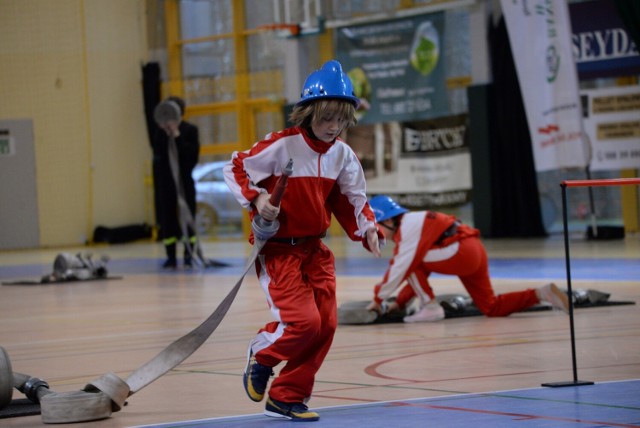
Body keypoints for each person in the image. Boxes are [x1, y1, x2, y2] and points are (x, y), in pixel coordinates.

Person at [223, 60, 383, 422]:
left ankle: (286, 397)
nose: (334, 126)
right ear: (309, 111)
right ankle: (263, 354)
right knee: (304, 324)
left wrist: (368, 229)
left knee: (325, 326)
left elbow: (355, 199)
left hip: (316, 252)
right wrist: (257, 199)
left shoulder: (343, 154)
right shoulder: (282, 146)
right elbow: (235, 167)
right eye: (327, 117)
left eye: (341, 119)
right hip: (279, 252)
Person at [366, 195, 570, 323]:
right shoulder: (413, 223)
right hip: (473, 250)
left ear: (390, 219)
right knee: (491, 307)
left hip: (461, 251)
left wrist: (378, 299)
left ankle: (431, 307)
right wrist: (400, 302)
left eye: (377, 226)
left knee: (409, 262)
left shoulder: (409, 226)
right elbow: (418, 271)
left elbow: (401, 268)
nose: (376, 232)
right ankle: (541, 293)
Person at [151, 96, 200, 269]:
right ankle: (170, 256)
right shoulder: (159, 134)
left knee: (188, 216)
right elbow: (159, 159)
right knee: (167, 219)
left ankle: (189, 254)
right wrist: (166, 134)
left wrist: (177, 136)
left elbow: (191, 158)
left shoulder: (190, 130)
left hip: (184, 182)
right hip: (166, 184)